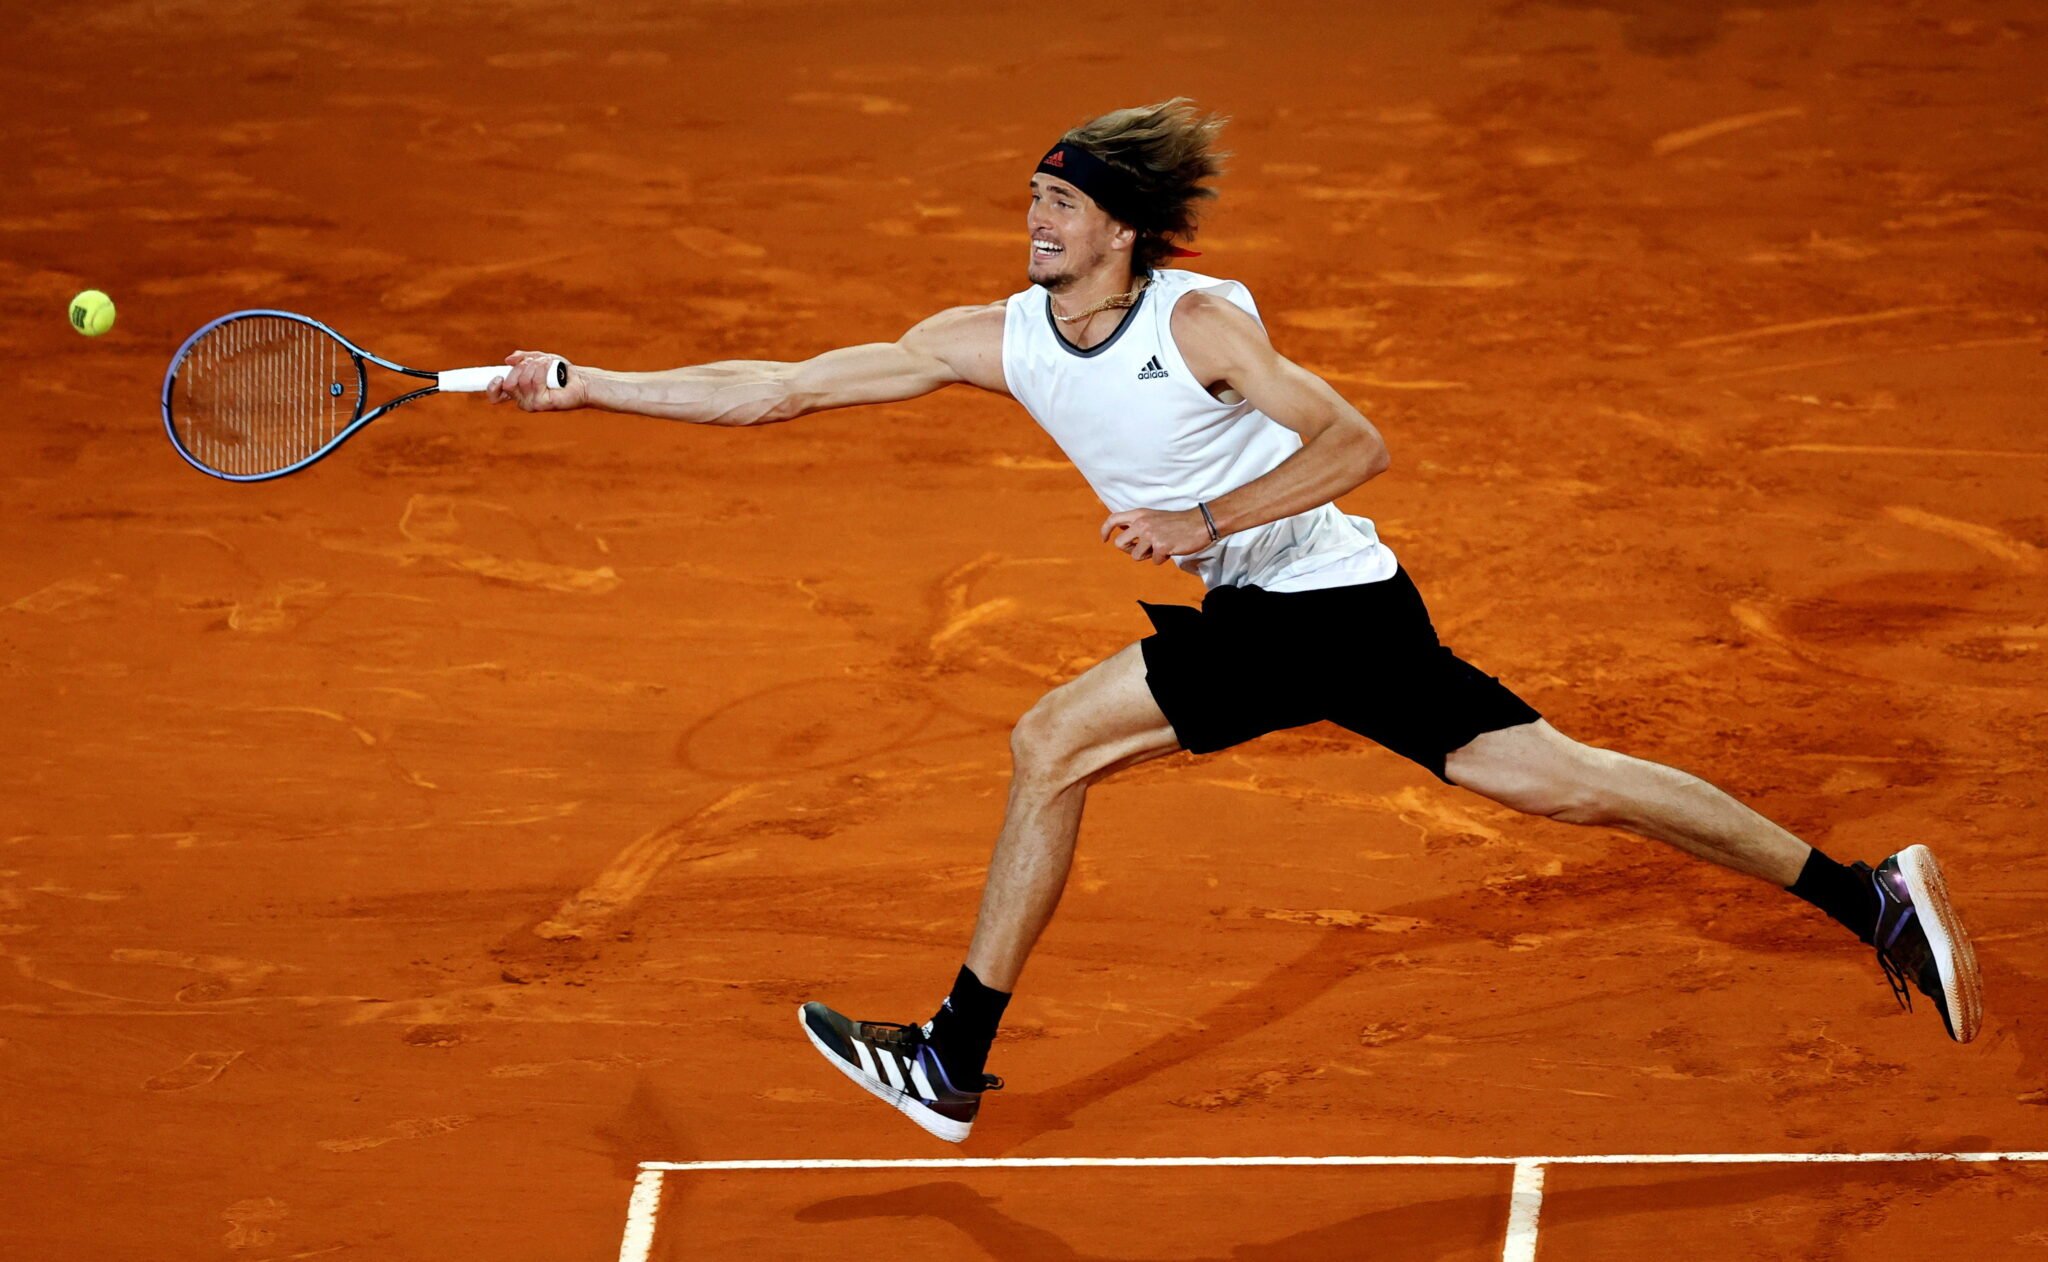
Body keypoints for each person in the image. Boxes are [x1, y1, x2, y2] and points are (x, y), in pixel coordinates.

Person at [488, 99, 1984, 1144]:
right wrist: (592, 385)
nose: (1033, 218)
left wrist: (1203, 525)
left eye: (1059, 203)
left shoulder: (1200, 325)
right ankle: (1867, 897)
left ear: (1125, 230)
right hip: (1345, 611)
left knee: (1050, 741)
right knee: (1557, 777)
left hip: (1306, 600)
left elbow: (1356, 444)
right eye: (1032, 197)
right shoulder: (998, 338)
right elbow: (785, 384)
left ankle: (952, 1055)